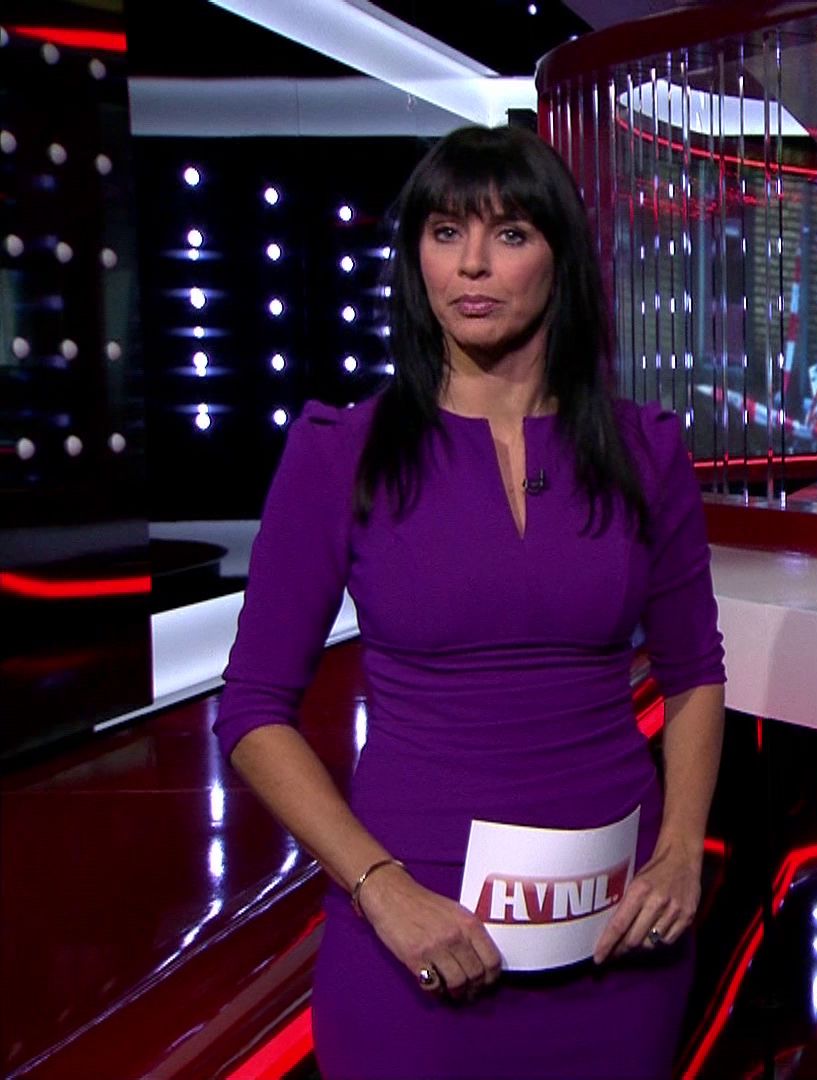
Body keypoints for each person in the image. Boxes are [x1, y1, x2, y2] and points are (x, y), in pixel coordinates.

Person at [216, 124, 726, 1079]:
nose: (473, 264)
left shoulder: (645, 450)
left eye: (510, 233)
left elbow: (695, 672)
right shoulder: (341, 453)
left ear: (560, 257)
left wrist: (681, 852)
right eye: (446, 232)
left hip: (620, 946)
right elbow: (251, 711)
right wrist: (380, 889)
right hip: (419, 943)